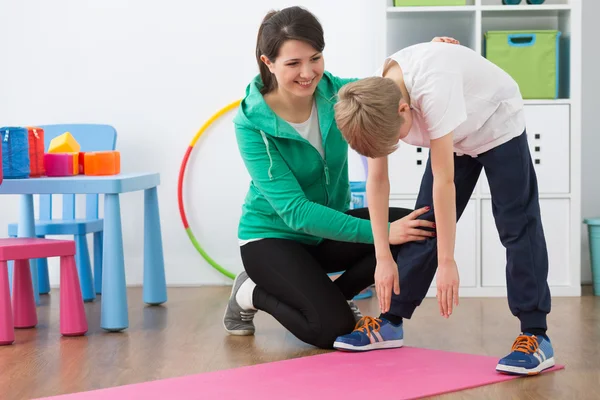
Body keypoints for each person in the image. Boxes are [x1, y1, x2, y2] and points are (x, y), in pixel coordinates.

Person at [332, 41, 555, 375]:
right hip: (454, 128)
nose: (394, 148)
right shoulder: (373, 102)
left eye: (396, 140)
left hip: (495, 122)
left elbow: (444, 183)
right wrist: (382, 257)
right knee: (425, 221)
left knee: (517, 224)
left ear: (404, 110)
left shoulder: (434, 92)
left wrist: (447, 262)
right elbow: (377, 182)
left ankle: (536, 334)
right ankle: (391, 322)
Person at [222, 6, 436, 349]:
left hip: (324, 234)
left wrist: (434, 56)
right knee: (329, 330)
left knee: (422, 229)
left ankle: (326, 301)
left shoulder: (341, 93)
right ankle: (250, 292)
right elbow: (296, 212)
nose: (308, 73)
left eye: (315, 58)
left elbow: (394, 85)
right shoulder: (250, 123)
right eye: (293, 63)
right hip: (272, 239)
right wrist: (380, 232)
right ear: (268, 62)